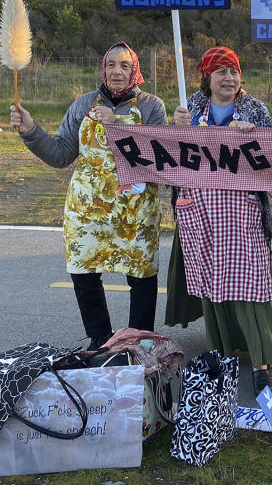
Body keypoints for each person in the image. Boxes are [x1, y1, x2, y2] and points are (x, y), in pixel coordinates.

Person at [10, 42, 166, 350]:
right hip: (87, 209)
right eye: (111, 65)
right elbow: (60, 154)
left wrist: (117, 127)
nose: (116, 71)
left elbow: (159, 159)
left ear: (135, 69)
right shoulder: (83, 104)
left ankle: (139, 342)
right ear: (103, 70)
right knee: (83, 271)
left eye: (124, 65)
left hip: (135, 212)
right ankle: (100, 339)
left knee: (141, 274)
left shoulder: (151, 107)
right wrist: (31, 130)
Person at [170, 46, 272, 396]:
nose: (229, 78)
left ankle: (262, 362)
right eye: (221, 71)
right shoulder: (188, 108)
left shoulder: (255, 110)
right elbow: (166, 156)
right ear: (207, 77)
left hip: (243, 211)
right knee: (213, 280)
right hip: (202, 210)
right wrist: (175, 129)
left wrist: (255, 136)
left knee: (252, 282)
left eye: (234, 71)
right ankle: (222, 354)